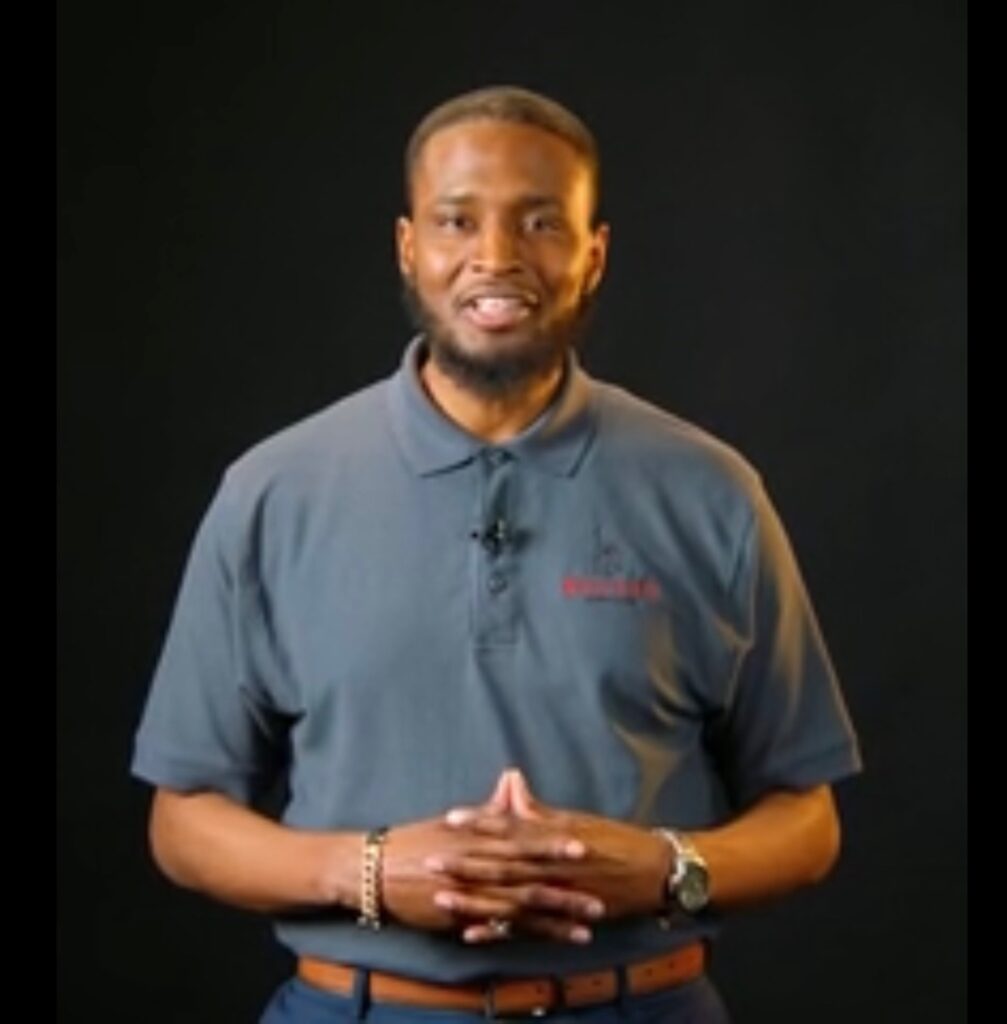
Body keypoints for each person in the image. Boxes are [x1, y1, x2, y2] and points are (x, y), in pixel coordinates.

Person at [132, 85, 862, 1023]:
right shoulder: (273, 491)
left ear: (594, 256)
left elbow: (808, 819)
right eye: (457, 221)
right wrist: (368, 872)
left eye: (541, 223)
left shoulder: (712, 492)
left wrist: (665, 869)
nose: (495, 258)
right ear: (409, 247)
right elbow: (182, 821)